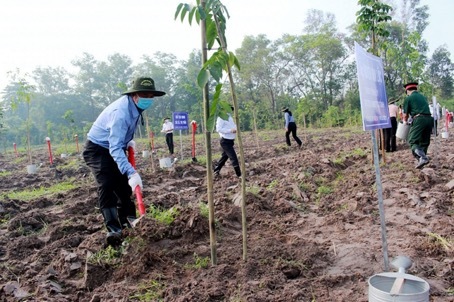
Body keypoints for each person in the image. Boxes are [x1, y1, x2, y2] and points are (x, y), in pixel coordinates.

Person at [83, 77, 166, 245]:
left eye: (150, 95)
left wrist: (128, 140)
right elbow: (113, 147)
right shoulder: (121, 113)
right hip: (98, 149)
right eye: (144, 94)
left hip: (115, 145)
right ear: (134, 95)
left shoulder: (134, 107)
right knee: (106, 184)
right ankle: (114, 231)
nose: (147, 98)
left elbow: (122, 135)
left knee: (122, 185)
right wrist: (131, 171)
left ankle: (130, 223)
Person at [402, 82, 433, 169]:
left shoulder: (409, 98)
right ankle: (422, 160)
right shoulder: (423, 97)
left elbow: (405, 114)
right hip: (429, 119)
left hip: (419, 119)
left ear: (407, 90)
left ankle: (422, 157)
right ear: (416, 89)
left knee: (412, 140)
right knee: (424, 141)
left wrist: (405, 121)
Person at [213, 106, 241, 178]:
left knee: (224, 157)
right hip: (225, 141)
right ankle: (239, 174)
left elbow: (233, 126)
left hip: (230, 140)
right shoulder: (221, 118)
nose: (230, 111)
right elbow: (218, 129)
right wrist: (230, 130)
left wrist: (236, 128)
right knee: (233, 157)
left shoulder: (229, 117)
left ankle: (216, 169)